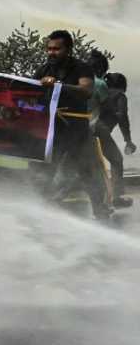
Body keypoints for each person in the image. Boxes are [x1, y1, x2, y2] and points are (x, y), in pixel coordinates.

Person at [32, 30, 110, 220]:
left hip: (77, 129)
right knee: (43, 171)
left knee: (88, 171)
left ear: (68, 49)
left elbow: (86, 90)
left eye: (56, 49)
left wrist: (58, 85)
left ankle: (101, 213)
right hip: (53, 130)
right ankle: (37, 212)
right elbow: (31, 93)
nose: (51, 52)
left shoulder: (81, 68)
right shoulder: (44, 70)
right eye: (49, 49)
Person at [97, 73, 135, 207]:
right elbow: (122, 116)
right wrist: (128, 140)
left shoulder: (101, 92)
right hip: (100, 132)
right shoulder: (120, 96)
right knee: (117, 160)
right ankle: (116, 196)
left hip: (87, 131)